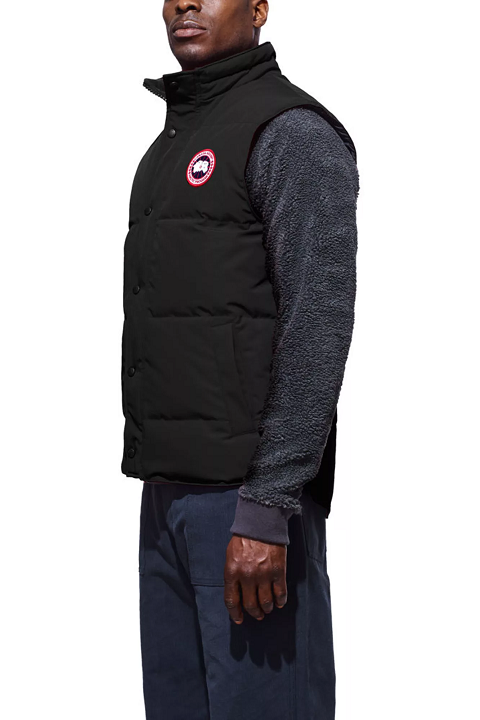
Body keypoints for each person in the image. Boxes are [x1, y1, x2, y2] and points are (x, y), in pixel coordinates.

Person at [120, 1, 360, 718]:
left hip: (248, 508)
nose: (184, 3)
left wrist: (269, 504)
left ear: (258, 9)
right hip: (167, 499)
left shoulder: (291, 132)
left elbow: (318, 324)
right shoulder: (171, 146)